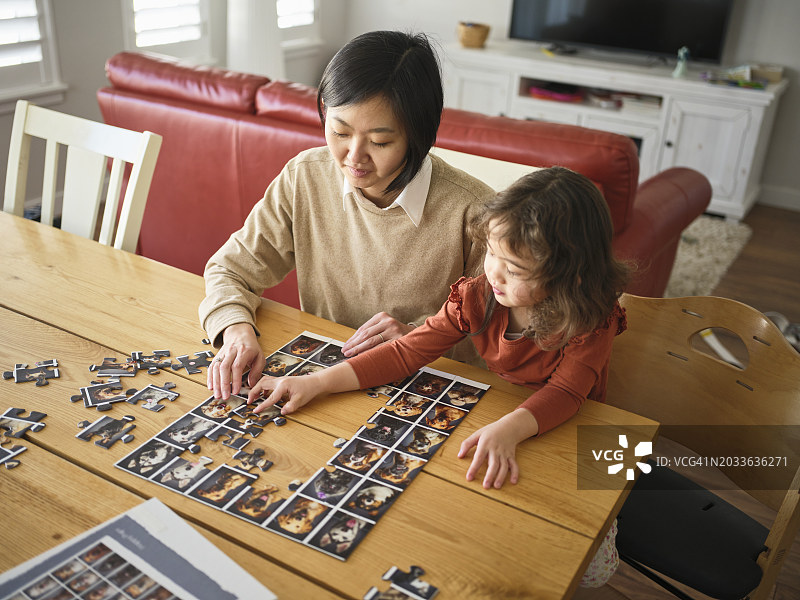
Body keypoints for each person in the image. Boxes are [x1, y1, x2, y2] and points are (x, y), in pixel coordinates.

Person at [246, 166, 630, 587]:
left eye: (515, 268)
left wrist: (509, 429)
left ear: (570, 275)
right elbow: (406, 352)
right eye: (492, 253)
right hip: (500, 414)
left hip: (571, 434)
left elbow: (567, 393)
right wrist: (317, 381)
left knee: (576, 565)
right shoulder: (479, 294)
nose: (495, 273)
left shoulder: (592, 319)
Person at [200, 30, 493, 400]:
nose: (354, 157)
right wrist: (237, 330)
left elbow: (500, 335)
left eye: (380, 142)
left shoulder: (475, 212)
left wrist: (420, 339)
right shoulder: (304, 176)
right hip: (320, 384)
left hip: (426, 393)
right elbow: (230, 269)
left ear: (420, 136)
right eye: (339, 131)